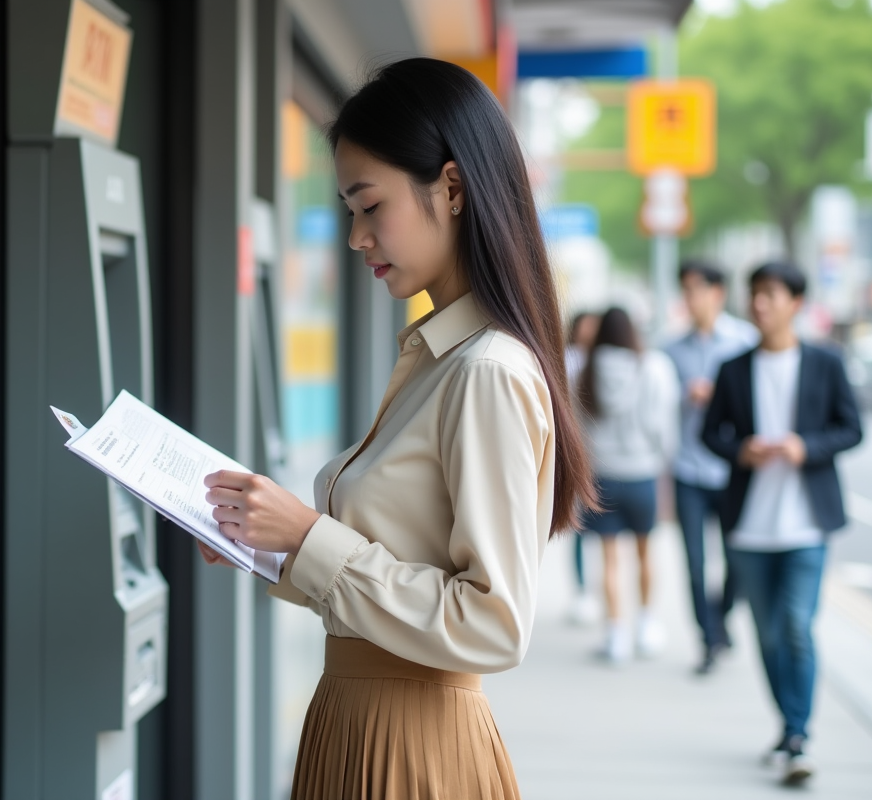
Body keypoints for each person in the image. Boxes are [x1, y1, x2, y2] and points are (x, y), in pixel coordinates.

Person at [195, 58, 595, 800]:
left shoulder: (485, 371)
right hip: (363, 723)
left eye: (369, 205)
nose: (356, 236)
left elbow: (493, 622)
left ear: (450, 187)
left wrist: (310, 538)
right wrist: (270, 548)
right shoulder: (440, 354)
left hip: (414, 747)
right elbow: (394, 575)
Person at [702, 261, 862, 787]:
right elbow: (711, 434)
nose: (759, 304)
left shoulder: (825, 362)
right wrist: (741, 450)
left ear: (795, 302)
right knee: (768, 635)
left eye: (770, 294)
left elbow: (850, 428)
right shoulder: (732, 368)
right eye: (754, 294)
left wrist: (804, 447)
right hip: (748, 527)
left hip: (806, 525)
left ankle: (798, 734)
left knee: (796, 625)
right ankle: (788, 726)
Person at [665, 259, 758, 674]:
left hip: (732, 470)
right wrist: (684, 397)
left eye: (696, 289)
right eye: (684, 290)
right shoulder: (669, 349)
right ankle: (708, 639)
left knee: (737, 558)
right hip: (688, 469)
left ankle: (719, 618)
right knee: (695, 563)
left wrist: (718, 395)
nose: (689, 298)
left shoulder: (745, 343)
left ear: (717, 293)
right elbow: (658, 406)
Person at [577, 307, 679, 663]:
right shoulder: (654, 367)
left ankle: (615, 634)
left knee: (608, 559)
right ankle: (647, 625)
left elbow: (576, 428)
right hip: (642, 473)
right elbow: (663, 428)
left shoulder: (582, 368)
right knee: (645, 551)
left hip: (601, 475)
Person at [565, 312, 603, 625]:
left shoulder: (603, 361)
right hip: (581, 457)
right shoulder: (567, 359)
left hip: (600, 457)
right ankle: (583, 590)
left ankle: (598, 590)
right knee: (580, 526)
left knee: (602, 531)